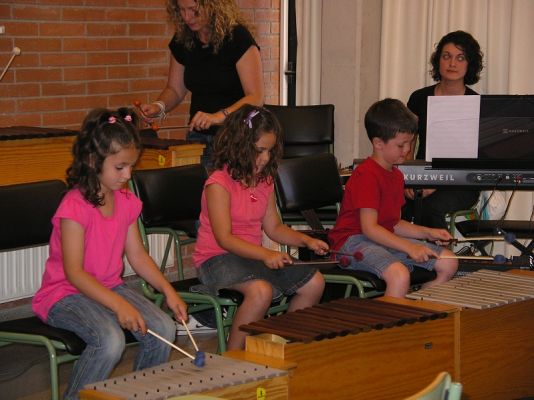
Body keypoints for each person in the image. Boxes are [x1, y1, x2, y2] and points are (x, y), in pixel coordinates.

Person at [32, 108, 188, 400]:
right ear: (93, 161)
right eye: (120, 167)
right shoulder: (74, 206)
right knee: (109, 340)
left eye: (131, 166)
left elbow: (138, 256)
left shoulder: (126, 201)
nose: (127, 175)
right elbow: (74, 274)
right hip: (63, 295)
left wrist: (168, 291)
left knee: (164, 328)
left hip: (108, 288)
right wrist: (118, 305)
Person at [192, 104, 328, 350]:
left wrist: (305, 240)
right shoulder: (218, 184)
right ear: (239, 146)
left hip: (251, 257)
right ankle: (232, 359)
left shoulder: (264, 180)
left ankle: (283, 347)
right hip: (216, 260)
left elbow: (274, 228)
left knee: (315, 283)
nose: (265, 158)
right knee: (260, 292)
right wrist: (266, 254)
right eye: (260, 150)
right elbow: (225, 239)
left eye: (270, 150)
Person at [328, 99, 458, 298]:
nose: (407, 150)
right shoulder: (366, 175)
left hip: (382, 238)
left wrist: (427, 232)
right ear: (378, 143)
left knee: (449, 262)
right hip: (352, 243)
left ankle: (418, 309)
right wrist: (410, 247)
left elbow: (393, 223)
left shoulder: (396, 175)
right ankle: (391, 318)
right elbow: (370, 228)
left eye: (410, 143)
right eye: (401, 145)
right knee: (399, 276)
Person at [139, 0, 264, 168]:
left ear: (213, 5)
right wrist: (159, 107)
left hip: (236, 138)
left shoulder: (237, 37)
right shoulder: (183, 39)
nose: (187, 17)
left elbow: (256, 97)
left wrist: (217, 117)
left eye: (193, 10)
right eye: (182, 10)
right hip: (198, 139)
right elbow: (175, 89)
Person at [402, 30, 484, 228]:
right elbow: (406, 143)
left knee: (431, 208)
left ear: (470, 64)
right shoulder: (419, 98)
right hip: (421, 176)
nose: (452, 63)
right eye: (446, 56)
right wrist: (408, 180)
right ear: (438, 60)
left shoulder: (476, 103)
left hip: (461, 182)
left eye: (460, 58)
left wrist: (437, 183)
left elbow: (475, 158)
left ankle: (440, 249)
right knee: (396, 205)